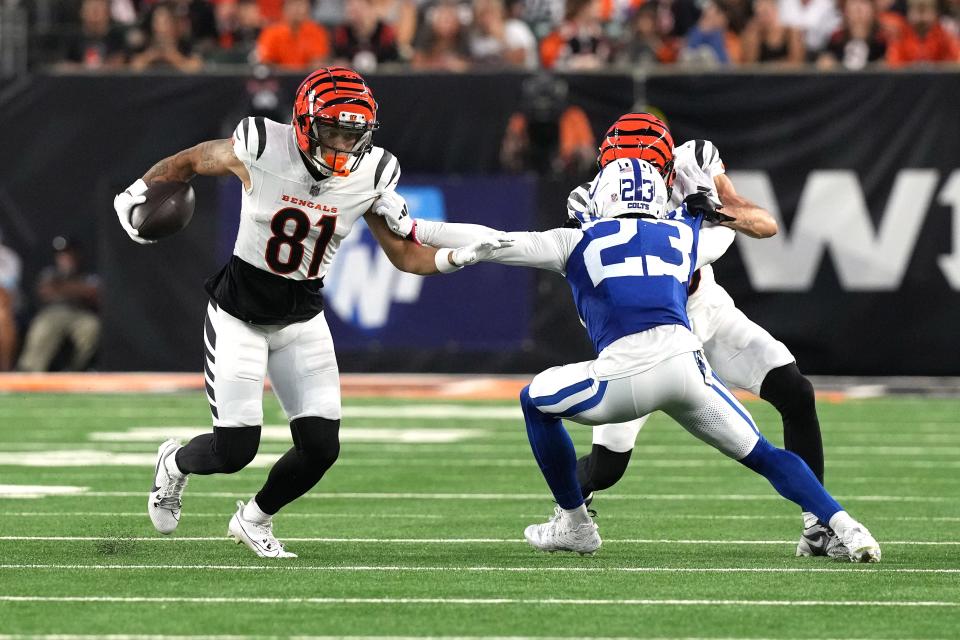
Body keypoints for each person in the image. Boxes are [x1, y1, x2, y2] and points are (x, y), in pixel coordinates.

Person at [374, 129, 881, 563]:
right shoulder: (683, 234)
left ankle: (574, 521)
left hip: (663, 341)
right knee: (754, 455)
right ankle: (845, 522)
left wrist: (417, 227)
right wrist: (708, 215)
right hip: (685, 358)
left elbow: (498, 237)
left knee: (536, 400)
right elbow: (721, 237)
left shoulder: (581, 235)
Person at [113, 66, 496, 558]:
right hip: (239, 314)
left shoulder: (373, 174)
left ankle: (253, 519)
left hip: (302, 318)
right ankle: (175, 463)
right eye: (333, 131)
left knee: (321, 447)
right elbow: (188, 162)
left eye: (353, 135)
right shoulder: (259, 146)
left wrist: (453, 258)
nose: (342, 146)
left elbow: (403, 255)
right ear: (302, 123)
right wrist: (140, 190)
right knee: (234, 451)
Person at [564, 117, 844, 558]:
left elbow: (764, 223)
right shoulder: (586, 199)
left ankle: (818, 529)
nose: (629, 173)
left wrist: (715, 211)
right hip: (644, 330)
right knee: (607, 468)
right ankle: (569, 501)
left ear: (667, 170)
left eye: (640, 165)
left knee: (795, 390)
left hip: (704, 310)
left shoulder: (694, 161)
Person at [17, 237, 101, 373]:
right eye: (62, 254)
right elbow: (45, 291)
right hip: (53, 312)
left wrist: (61, 288)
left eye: (69, 253)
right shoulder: (50, 272)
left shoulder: (88, 272)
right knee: (43, 327)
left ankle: (77, 370)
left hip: (79, 313)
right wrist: (78, 289)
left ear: (76, 254)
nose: (66, 257)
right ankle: (30, 371)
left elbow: (93, 292)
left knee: (91, 328)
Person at [129, 2, 204, 72]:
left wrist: (172, 56)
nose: (160, 28)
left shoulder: (185, 44)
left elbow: (195, 68)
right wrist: (150, 55)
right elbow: (132, 68)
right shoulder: (145, 44)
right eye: (156, 22)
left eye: (165, 22)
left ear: (174, 24)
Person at [256, 0, 331, 69]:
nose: (297, 9)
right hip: (279, 81)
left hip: (308, 80)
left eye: (301, 4)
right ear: (284, 8)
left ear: (308, 7)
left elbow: (318, 63)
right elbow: (266, 63)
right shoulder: (271, 32)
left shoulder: (317, 31)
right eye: (292, 4)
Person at [332, 0, 401, 71]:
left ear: (372, 9)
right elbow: (337, 58)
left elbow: (394, 61)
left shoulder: (385, 31)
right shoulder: (342, 33)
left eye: (360, 9)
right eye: (352, 10)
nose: (356, 16)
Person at [817, 0, 888, 69]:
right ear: (845, 10)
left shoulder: (882, 40)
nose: (858, 8)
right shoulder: (836, 39)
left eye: (864, 3)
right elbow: (824, 60)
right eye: (853, 3)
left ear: (873, 9)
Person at [886, 0, 960, 64]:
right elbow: (893, 66)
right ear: (909, 12)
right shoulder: (900, 38)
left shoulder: (944, 37)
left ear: (935, 13)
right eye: (916, 10)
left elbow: (956, 61)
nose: (921, 17)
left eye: (925, 10)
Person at [60, 0, 128, 69]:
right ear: (82, 12)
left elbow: (126, 63)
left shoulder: (117, 37)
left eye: (98, 10)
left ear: (107, 13)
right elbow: (63, 65)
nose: (95, 15)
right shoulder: (72, 38)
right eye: (90, 9)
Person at [0, 229, 21, 372]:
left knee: (3, 317)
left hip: (4, 307)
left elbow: (6, 293)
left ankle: (5, 371)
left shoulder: (8, 257)